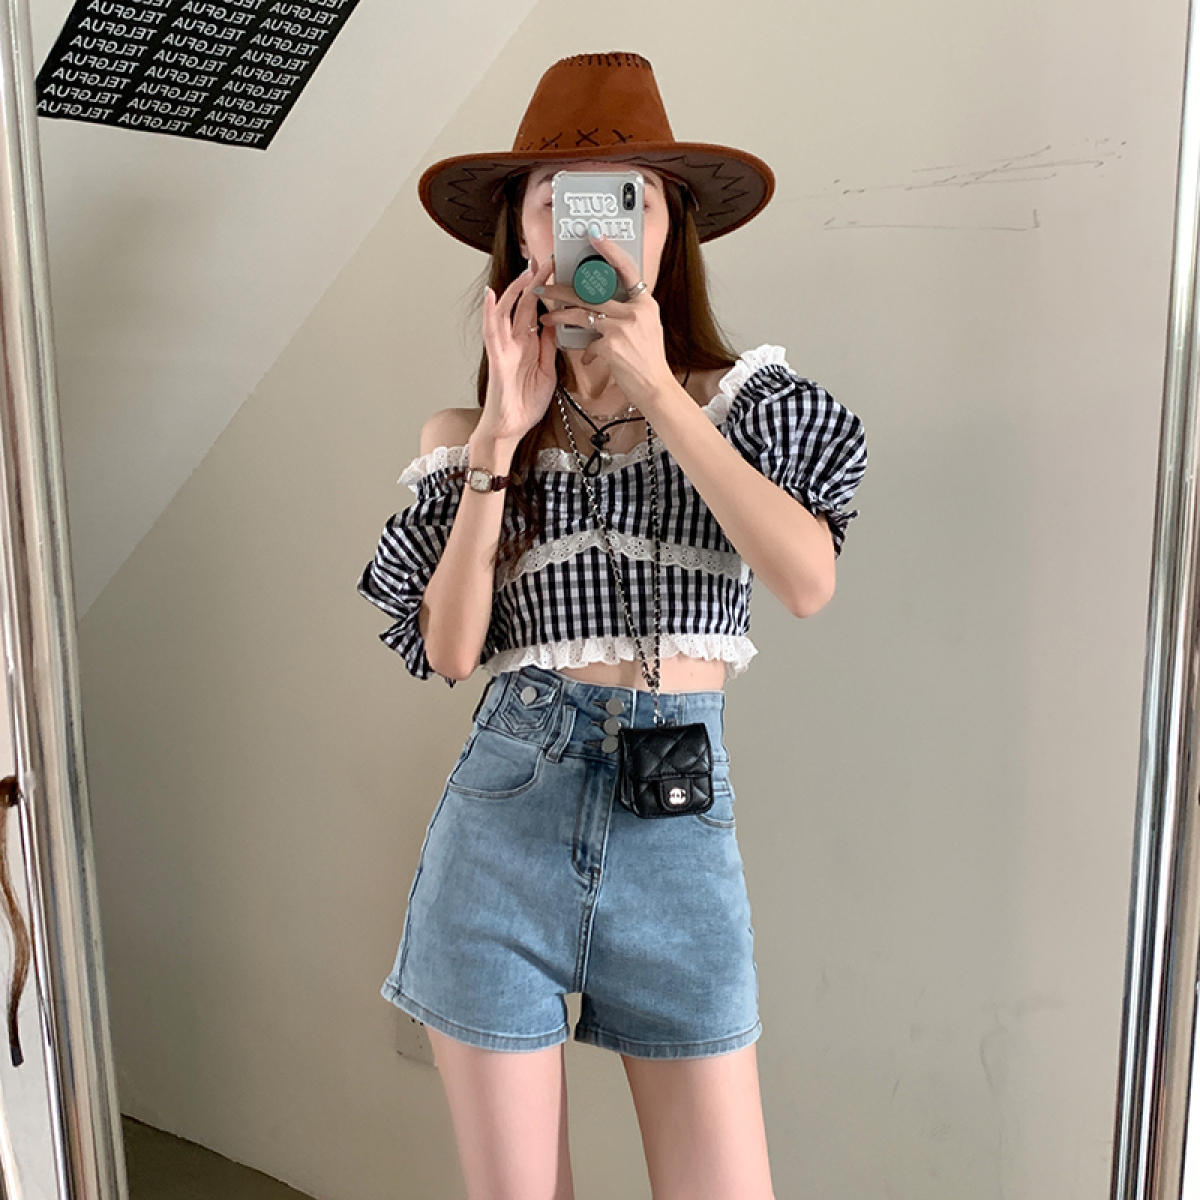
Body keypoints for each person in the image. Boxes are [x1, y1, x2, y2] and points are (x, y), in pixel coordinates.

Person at [357, 50, 867, 1200]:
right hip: (505, 823)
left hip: (676, 832)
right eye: (559, 199)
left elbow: (805, 580)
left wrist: (659, 390)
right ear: (521, 236)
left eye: (629, 197)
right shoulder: (471, 431)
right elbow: (448, 652)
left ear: (670, 226)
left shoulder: (745, 404)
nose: (593, 225)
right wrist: (498, 438)